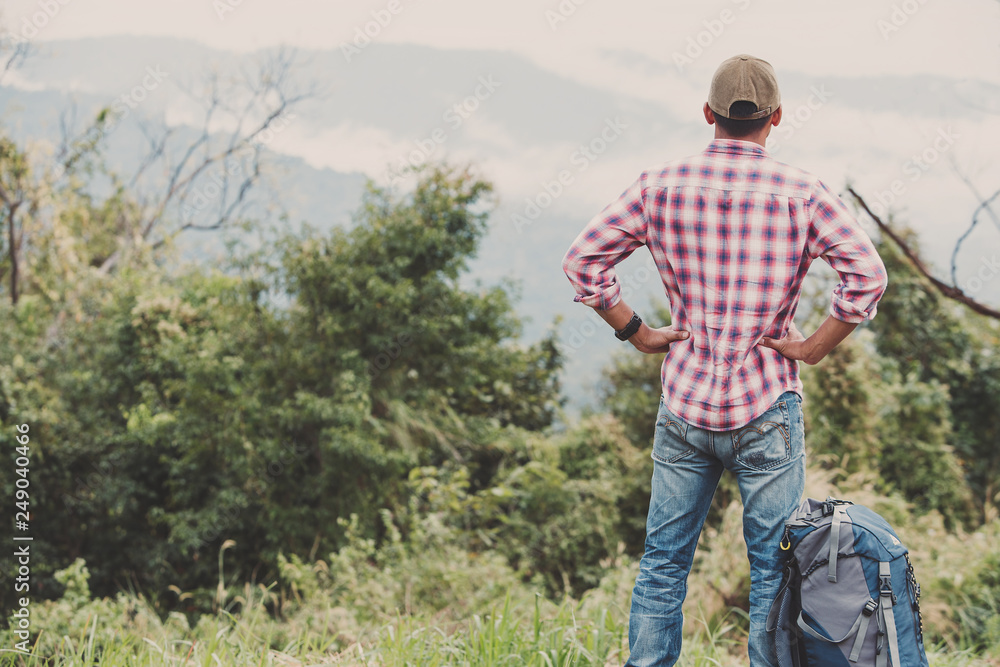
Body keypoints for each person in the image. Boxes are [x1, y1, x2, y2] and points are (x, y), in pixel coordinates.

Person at [560, 54, 888, 667]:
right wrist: (812, 349)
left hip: (684, 405)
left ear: (707, 114)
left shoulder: (659, 185)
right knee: (772, 571)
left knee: (663, 563)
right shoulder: (802, 192)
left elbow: (583, 260)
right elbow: (867, 276)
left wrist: (635, 331)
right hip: (767, 407)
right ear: (778, 118)